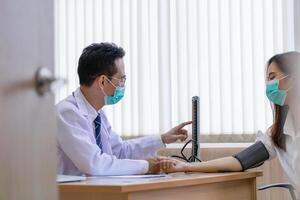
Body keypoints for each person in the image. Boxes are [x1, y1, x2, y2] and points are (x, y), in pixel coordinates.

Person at [159, 52, 300, 194]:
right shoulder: (278, 133)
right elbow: (238, 161)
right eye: (267, 80)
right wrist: (185, 166)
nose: (269, 85)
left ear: (293, 78)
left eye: (272, 77)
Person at [56, 42, 191, 176]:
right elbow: (94, 164)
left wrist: (163, 139)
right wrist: (147, 166)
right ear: (102, 81)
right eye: (122, 79)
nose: (123, 85)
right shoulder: (67, 113)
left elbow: (120, 151)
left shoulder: (97, 114)